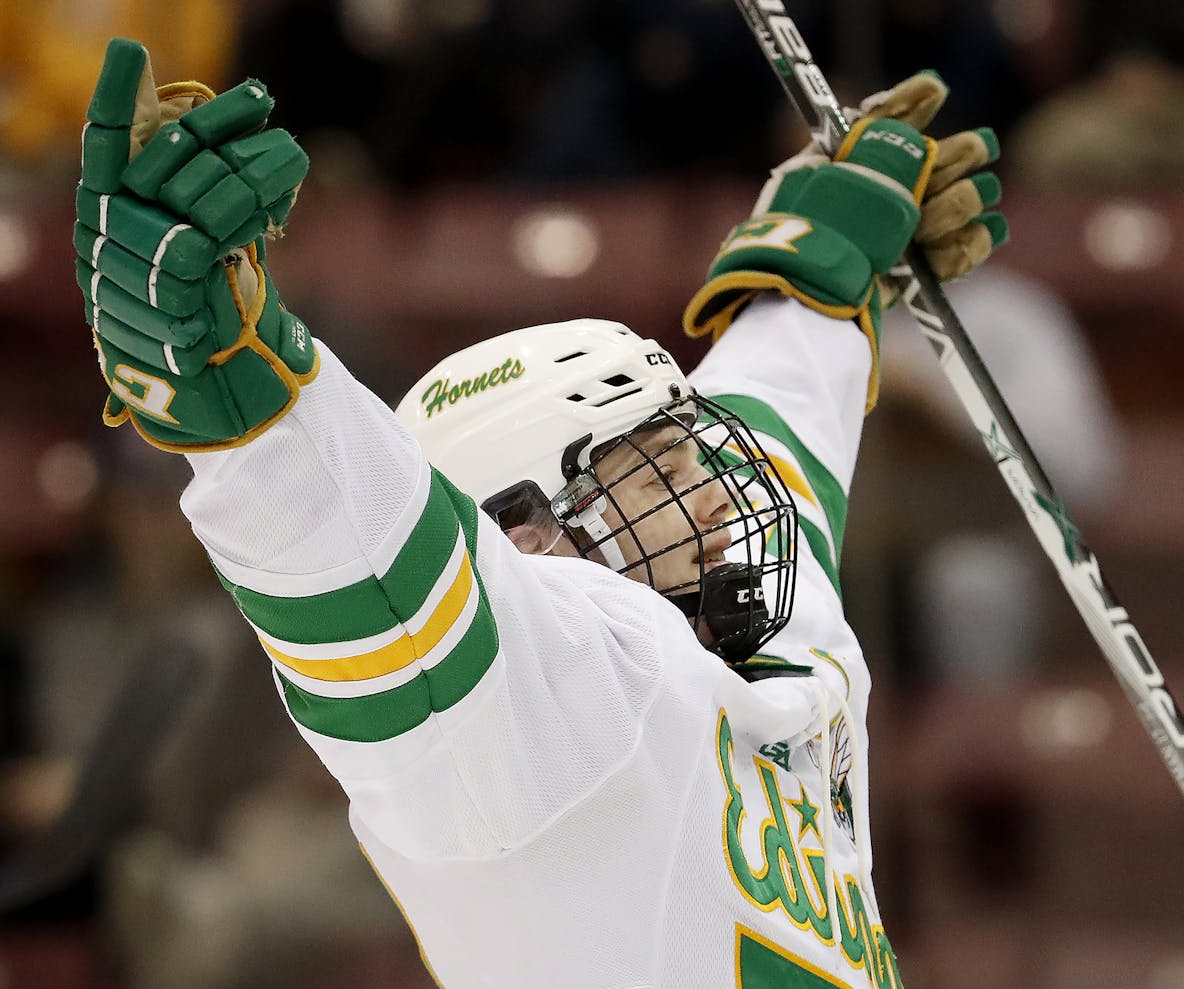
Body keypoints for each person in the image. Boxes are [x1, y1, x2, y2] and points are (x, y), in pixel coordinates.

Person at [73, 40, 1006, 988]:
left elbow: (779, 421)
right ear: (526, 543)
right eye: (658, 480)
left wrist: (818, 267)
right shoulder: (537, 709)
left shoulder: (756, 612)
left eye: (698, 457)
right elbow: (368, 560)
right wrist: (236, 392)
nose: (723, 501)